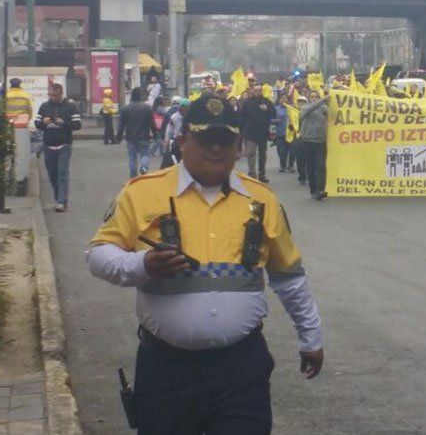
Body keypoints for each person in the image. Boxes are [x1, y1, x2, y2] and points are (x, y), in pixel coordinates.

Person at [86, 93, 324, 435]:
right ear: (183, 141)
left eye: (225, 140)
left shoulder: (262, 200)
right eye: (206, 139)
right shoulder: (141, 194)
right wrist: (144, 265)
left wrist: (311, 336)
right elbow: (97, 255)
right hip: (167, 370)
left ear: (239, 144)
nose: (216, 149)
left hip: (241, 369)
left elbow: (289, 277)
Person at [34, 83, 82, 212]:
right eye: (50, 95)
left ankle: (61, 201)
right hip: (48, 144)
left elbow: (77, 125)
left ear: (61, 94)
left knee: (62, 173)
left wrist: (64, 123)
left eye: (55, 95)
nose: (53, 98)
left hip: (64, 144)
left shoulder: (70, 107)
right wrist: (42, 123)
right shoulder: (44, 106)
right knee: (52, 174)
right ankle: (59, 198)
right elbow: (37, 123)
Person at [118, 87, 156, 178]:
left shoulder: (126, 109)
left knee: (132, 156)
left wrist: (118, 137)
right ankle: (144, 166)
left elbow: (121, 125)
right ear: (140, 96)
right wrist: (155, 134)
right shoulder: (148, 108)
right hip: (144, 136)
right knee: (145, 154)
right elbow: (152, 123)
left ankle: (133, 174)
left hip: (131, 137)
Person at [240, 86, 276, 182]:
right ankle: (252, 174)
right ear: (252, 91)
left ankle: (262, 174)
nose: (257, 92)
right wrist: (241, 130)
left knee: (262, 155)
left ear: (262, 91)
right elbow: (242, 117)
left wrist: (267, 109)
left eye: (259, 90)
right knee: (251, 154)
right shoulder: (247, 102)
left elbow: (273, 113)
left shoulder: (267, 101)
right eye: (255, 90)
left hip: (263, 132)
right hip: (250, 133)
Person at [299, 91, 328, 200]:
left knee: (320, 166)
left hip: (321, 142)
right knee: (310, 167)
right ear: (308, 98)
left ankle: (320, 190)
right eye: (311, 97)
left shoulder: (323, 108)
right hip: (308, 141)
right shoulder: (305, 108)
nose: (314, 98)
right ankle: (313, 190)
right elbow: (309, 109)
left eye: (316, 97)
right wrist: (323, 99)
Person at [161, 98, 189, 169]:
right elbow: (169, 129)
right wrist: (166, 140)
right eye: (182, 107)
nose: (183, 109)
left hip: (187, 140)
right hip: (175, 141)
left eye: (185, 107)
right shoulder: (174, 117)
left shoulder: (190, 117)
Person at [273, 94, 292, 173]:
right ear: (279, 100)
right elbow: (270, 119)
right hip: (279, 132)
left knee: (290, 151)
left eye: (285, 98)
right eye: (282, 98)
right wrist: (275, 121)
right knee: (281, 150)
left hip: (290, 133)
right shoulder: (276, 109)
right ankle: (282, 166)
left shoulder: (291, 109)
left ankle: (290, 165)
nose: (284, 99)